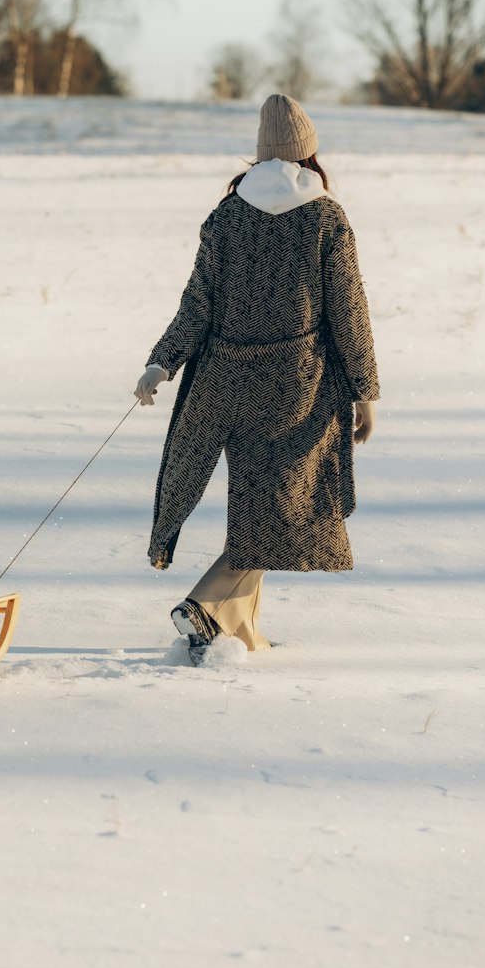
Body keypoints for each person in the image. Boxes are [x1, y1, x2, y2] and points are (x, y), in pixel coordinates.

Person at [133, 94, 380, 665]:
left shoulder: (226, 216)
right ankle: (206, 602)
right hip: (299, 386)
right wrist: (364, 390)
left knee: (259, 501)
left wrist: (162, 362)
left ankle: (243, 629)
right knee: (285, 507)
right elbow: (349, 312)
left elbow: (198, 305)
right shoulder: (326, 217)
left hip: (227, 381)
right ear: (309, 153)